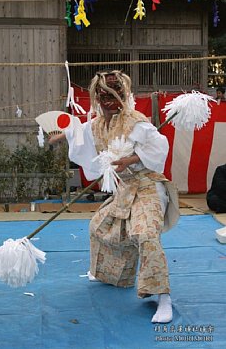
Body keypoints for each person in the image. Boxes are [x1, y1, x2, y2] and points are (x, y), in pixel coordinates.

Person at [49, 70, 179, 323]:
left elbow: (159, 145)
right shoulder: (99, 123)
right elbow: (81, 130)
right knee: (99, 226)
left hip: (147, 187)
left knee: (146, 234)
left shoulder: (135, 122)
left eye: (113, 100)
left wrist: (130, 159)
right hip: (125, 188)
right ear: (97, 100)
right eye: (103, 100)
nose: (108, 107)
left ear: (122, 98)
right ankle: (110, 274)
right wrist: (60, 136)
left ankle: (163, 297)